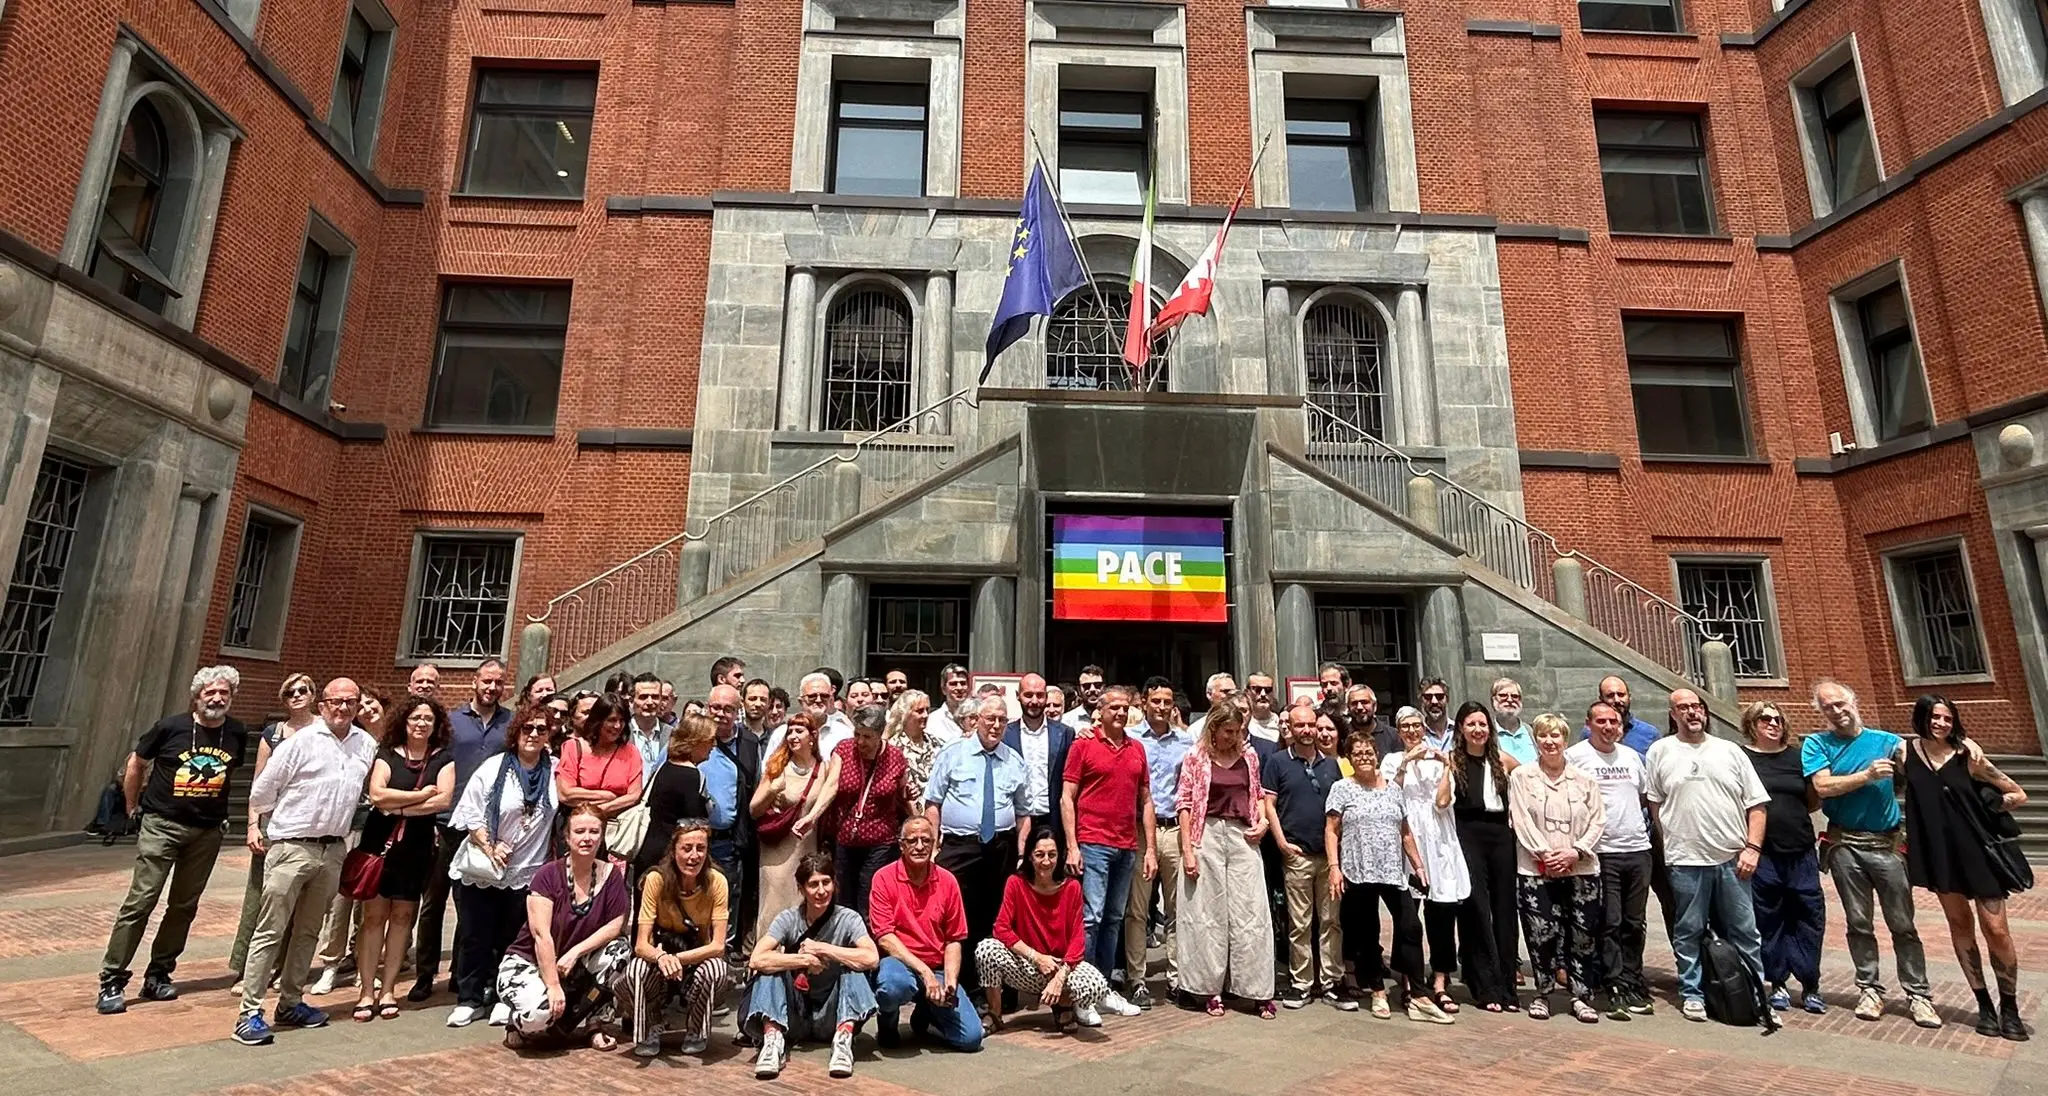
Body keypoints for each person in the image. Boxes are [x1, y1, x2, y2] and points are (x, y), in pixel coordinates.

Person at [233, 678, 378, 1046]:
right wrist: (278, 823)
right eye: (335, 701)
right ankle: (249, 1012)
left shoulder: (366, 745)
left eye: (351, 702)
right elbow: (262, 791)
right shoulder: (300, 742)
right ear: (323, 704)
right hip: (292, 847)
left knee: (309, 930)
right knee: (271, 930)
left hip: (333, 850)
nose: (343, 708)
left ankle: (291, 1002)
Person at [97, 666, 247, 1015]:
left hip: (207, 831)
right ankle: (112, 978)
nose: (217, 698)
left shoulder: (236, 732)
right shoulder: (170, 727)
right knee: (141, 900)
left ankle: (158, 974)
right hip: (162, 825)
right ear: (197, 696)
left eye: (224, 693)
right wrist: (132, 806)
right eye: (210, 692)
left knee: (183, 906)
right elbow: (136, 763)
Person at [1805, 679, 1938, 1028]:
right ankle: (1868, 988)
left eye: (1840, 703)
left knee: (1903, 924)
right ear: (1821, 712)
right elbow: (1822, 787)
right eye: (1828, 707)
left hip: (1887, 844)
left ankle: (1918, 994)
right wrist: (1866, 775)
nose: (1837, 711)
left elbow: (1928, 758)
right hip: (1845, 845)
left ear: (1854, 700)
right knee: (1859, 922)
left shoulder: (1888, 741)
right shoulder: (1817, 743)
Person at [1903, 694, 2030, 1040]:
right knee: (1960, 925)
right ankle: (1984, 1006)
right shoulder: (1905, 753)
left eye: (1947, 718)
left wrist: (1993, 804)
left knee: (1996, 930)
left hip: (1978, 852)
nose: (1941, 723)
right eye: (1935, 717)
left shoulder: (1968, 756)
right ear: (1922, 717)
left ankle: (2010, 1008)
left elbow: (2018, 793)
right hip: (1940, 855)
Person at [1645, 688, 1768, 1023]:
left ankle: (1754, 996)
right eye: (1683, 707)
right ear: (1673, 714)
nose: (1692, 712)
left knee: (1744, 931)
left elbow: (1757, 805)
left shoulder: (1730, 751)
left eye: (1697, 706)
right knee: (1689, 930)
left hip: (1732, 858)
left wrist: (1752, 848)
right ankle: (1693, 994)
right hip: (1686, 860)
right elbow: (1655, 804)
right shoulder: (1660, 751)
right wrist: (1672, 842)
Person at [445, 703, 558, 1028]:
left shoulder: (555, 771)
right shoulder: (495, 767)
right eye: (527, 728)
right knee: (475, 935)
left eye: (541, 729)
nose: (533, 734)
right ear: (515, 732)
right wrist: (490, 845)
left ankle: (501, 996)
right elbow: (471, 813)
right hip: (485, 868)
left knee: (512, 939)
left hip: (527, 870)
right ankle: (469, 998)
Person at [1326, 732, 1449, 1023]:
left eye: (1368, 752)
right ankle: (1378, 991)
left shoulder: (1393, 789)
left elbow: (1405, 832)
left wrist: (1418, 866)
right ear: (1350, 758)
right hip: (1359, 870)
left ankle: (1418, 995)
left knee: (1411, 927)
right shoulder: (1341, 788)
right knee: (1367, 932)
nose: (1364, 758)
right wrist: (1334, 866)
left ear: (1377, 755)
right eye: (1358, 754)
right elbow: (1331, 830)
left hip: (1393, 870)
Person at [349, 696, 455, 1022]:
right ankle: (367, 991)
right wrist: (419, 796)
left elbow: (443, 800)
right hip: (380, 844)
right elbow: (377, 794)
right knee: (373, 918)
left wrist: (399, 809)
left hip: (416, 846)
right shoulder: (387, 754)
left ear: (436, 725)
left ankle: (388, 990)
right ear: (404, 722)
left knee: (402, 917)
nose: (421, 724)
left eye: (427, 719)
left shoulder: (443, 758)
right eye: (415, 718)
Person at [411, 659, 510, 1002]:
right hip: (447, 822)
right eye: (487, 681)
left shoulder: (510, 723)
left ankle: (460, 971)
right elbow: (433, 763)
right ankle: (425, 974)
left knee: (471, 902)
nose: (492, 688)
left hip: (487, 826)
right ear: (474, 681)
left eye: (498, 682)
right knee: (433, 901)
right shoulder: (451, 722)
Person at [495, 803, 631, 1048]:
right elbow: (541, 935)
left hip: (575, 962)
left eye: (594, 831)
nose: (587, 838)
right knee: (538, 1016)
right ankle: (516, 1021)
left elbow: (615, 925)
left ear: (602, 836)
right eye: (579, 831)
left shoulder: (611, 875)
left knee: (620, 951)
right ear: (567, 837)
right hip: (531, 961)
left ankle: (594, 1023)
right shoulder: (547, 875)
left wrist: (575, 952)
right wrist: (553, 985)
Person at [1175, 701, 1277, 1019]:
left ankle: (1257, 990)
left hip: (1242, 834)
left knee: (1251, 910)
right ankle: (1209, 989)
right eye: (1227, 731)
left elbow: (1257, 794)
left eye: (1237, 731)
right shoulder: (1196, 756)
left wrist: (1263, 822)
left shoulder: (1249, 756)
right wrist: (1188, 850)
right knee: (1206, 914)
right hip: (1206, 832)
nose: (1233, 737)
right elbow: (1184, 803)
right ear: (1214, 729)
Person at [1059, 684, 1154, 1021]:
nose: (1120, 712)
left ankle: (1101, 987)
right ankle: (1082, 992)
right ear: (1099, 711)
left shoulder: (1136, 748)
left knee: (1114, 918)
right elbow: (1067, 797)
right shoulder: (1083, 745)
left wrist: (1150, 849)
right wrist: (1072, 846)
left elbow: (1146, 801)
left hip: (1126, 845)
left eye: (1125, 707)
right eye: (1114, 707)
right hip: (1093, 842)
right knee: (1092, 918)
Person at [1508, 713, 1606, 1023]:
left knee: (1582, 935)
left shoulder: (1585, 780)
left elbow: (1598, 820)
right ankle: (1543, 992)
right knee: (1542, 933)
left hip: (1581, 869)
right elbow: (1521, 819)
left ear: (1565, 740)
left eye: (1555, 736)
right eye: (1543, 736)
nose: (1549, 742)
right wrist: (1545, 854)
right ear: (1535, 740)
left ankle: (1581, 995)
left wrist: (1575, 852)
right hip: (1537, 869)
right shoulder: (1522, 777)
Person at [746, 852, 880, 1079]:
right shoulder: (788, 919)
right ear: (801, 888)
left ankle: (843, 1041)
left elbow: (872, 958)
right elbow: (756, 959)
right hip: (793, 1014)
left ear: (834, 883)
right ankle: (772, 1041)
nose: (821, 891)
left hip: (833, 1014)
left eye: (826, 882)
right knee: (770, 969)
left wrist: (824, 949)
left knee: (854, 965)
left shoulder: (849, 918)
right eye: (813, 884)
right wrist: (803, 960)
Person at [1566, 700, 1657, 1020]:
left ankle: (1633, 978)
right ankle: (1614, 982)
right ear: (1588, 724)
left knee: (1635, 921)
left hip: (1638, 849)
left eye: (1613, 722)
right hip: (1602, 852)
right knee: (1610, 921)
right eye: (1601, 721)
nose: (1608, 727)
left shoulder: (1631, 757)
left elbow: (1645, 797)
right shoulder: (1575, 757)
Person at [229, 672, 319, 990]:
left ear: (313, 695)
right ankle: (249, 968)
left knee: (299, 899)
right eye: (290, 692)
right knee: (261, 895)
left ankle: (284, 967)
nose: (297, 695)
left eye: (302, 690)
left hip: (309, 824)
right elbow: (259, 783)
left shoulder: (324, 730)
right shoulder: (273, 733)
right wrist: (253, 825)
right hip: (274, 823)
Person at [924, 695, 1030, 960]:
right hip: (959, 846)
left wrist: (1021, 852)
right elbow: (933, 803)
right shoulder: (952, 753)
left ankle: (988, 975)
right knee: (954, 908)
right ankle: (953, 972)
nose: (996, 725)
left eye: (1002, 720)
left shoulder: (1014, 760)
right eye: (990, 719)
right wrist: (932, 847)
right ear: (976, 720)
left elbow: (1023, 812)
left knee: (995, 910)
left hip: (1001, 847)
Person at [1737, 699, 1826, 1015]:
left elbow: (1813, 799)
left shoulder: (1798, 757)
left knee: (1809, 914)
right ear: (1752, 724)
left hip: (1800, 850)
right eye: (1765, 719)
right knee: (1769, 918)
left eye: (1777, 719)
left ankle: (1810, 983)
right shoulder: (1742, 758)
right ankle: (1778, 982)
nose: (1773, 724)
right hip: (1763, 854)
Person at [979, 826, 1111, 1033]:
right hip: (1028, 963)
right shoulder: (1016, 883)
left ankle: (1063, 1005)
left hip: (1059, 966)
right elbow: (1001, 928)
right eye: (1040, 855)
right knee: (986, 949)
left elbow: (1077, 939)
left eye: (1052, 855)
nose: (1046, 861)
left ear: (1060, 856)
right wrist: (1036, 957)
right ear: (1030, 856)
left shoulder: (1072, 887)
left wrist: (1061, 976)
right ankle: (995, 1012)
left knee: (1096, 986)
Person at [869, 816, 984, 1051]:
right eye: (912, 840)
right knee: (893, 986)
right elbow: (885, 937)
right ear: (901, 845)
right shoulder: (883, 878)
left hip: (937, 966)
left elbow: (954, 938)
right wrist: (924, 972)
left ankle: (927, 1011)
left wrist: (950, 981)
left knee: (971, 1039)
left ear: (935, 844)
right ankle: (887, 1023)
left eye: (926, 840)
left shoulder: (948, 881)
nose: (920, 846)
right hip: (900, 964)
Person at [1381, 705, 1468, 1015]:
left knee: (1442, 913)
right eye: (1405, 726)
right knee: (1408, 917)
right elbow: (1390, 795)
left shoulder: (1440, 758)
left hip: (1439, 838)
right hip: (1408, 837)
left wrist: (1446, 767)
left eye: (1416, 725)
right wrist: (1407, 762)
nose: (1412, 731)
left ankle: (1440, 981)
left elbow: (1443, 802)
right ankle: (1409, 981)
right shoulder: (1392, 760)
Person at [619, 819, 730, 1057]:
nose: (694, 856)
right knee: (634, 971)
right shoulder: (656, 879)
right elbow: (640, 945)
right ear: (674, 850)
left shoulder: (717, 881)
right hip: (658, 958)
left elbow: (718, 946)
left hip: (695, 958)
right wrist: (661, 958)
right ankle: (648, 1027)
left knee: (717, 970)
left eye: (700, 848)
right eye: (686, 848)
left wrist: (677, 959)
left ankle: (696, 1029)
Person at [1266, 701, 1346, 1010]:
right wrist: (1282, 843)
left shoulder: (1332, 765)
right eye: (1300, 725)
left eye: (1311, 724)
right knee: (1300, 923)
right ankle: (1301, 982)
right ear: (1290, 727)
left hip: (1328, 856)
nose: (1307, 730)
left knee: (1331, 921)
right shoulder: (1277, 762)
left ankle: (1331, 981)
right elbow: (1269, 805)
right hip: (1296, 853)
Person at [1126, 677, 1193, 1008]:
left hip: (1175, 830)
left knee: (1178, 909)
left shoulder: (1186, 741)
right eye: (1156, 701)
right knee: (1137, 910)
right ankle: (1137, 978)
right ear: (1144, 703)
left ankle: (1176, 977)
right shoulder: (1131, 739)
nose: (1162, 707)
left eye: (1167, 702)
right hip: (1140, 832)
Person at [1449, 701, 1519, 1011]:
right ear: (1461, 729)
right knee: (1475, 908)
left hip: (1501, 836)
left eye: (1482, 724)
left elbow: (1528, 778)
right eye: (1471, 724)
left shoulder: (1501, 760)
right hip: (1468, 835)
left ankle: (1507, 985)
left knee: (1505, 909)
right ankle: (1484, 985)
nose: (1477, 730)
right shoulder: (1453, 761)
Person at [806, 704, 907, 918]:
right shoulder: (844, 749)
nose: (860, 742)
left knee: (868, 896)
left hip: (880, 841)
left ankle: (869, 938)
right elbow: (831, 785)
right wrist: (812, 816)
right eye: (857, 735)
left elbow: (903, 796)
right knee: (843, 898)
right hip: (845, 839)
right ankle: (846, 936)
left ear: (880, 734)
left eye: (867, 737)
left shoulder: (895, 757)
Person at [752, 711, 830, 940]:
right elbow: (754, 809)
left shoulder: (824, 769)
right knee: (774, 906)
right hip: (777, 853)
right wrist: (772, 790)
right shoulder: (777, 767)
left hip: (807, 850)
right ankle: (767, 955)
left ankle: (801, 956)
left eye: (799, 731)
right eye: (790, 732)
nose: (793, 736)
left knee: (804, 904)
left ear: (812, 736)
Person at [704, 681, 764, 950]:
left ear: (737, 711)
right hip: (691, 835)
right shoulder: (691, 737)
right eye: (715, 708)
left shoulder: (749, 743)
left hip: (728, 839)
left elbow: (758, 784)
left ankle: (721, 951)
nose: (720, 714)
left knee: (727, 895)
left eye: (727, 709)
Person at [635, 714, 717, 872]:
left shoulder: (666, 767)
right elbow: (693, 824)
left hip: (649, 853)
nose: (714, 745)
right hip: (672, 861)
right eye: (710, 740)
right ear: (696, 741)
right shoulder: (691, 775)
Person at [1006, 674, 1075, 852]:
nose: (1034, 701)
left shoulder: (1065, 733)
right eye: (1028, 695)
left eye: (1040, 695)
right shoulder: (1006, 735)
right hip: (1016, 820)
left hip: (1053, 819)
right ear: (1018, 696)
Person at [555, 692, 644, 822]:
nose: (617, 726)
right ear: (598, 720)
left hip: (616, 827)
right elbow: (565, 794)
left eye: (622, 720)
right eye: (611, 720)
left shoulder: (631, 752)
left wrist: (598, 811)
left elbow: (634, 796)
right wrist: (607, 796)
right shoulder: (573, 747)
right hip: (576, 825)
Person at [888, 689, 939, 813]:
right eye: (919, 711)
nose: (925, 715)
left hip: (936, 812)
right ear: (905, 714)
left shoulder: (936, 743)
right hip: (905, 814)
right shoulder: (893, 747)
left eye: (927, 710)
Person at [1346, 685, 1401, 759]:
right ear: (1348, 708)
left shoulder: (1393, 736)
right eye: (1354, 703)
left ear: (1374, 706)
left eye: (1364, 702)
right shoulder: (1341, 736)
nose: (1359, 707)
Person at [1490, 679, 1534, 765]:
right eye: (1503, 695)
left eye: (1515, 696)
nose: (1510, 700)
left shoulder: (1531, 731)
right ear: (1493, 700)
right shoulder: (1488, 733)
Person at [1061, 665, 1106, 732]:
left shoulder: (1113, 717)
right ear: (1079, 690)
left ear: (1104, 688)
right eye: (1086, 686)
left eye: (1097, 685)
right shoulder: (1066, 720)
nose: (1092, 689)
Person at [1418, 679, 1453, 749]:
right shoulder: (1416, 734)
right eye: (1428, 697)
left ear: (1447, 699)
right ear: (1421, 700)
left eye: (1439, 697)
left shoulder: (1460, 731)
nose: (1434, 701)